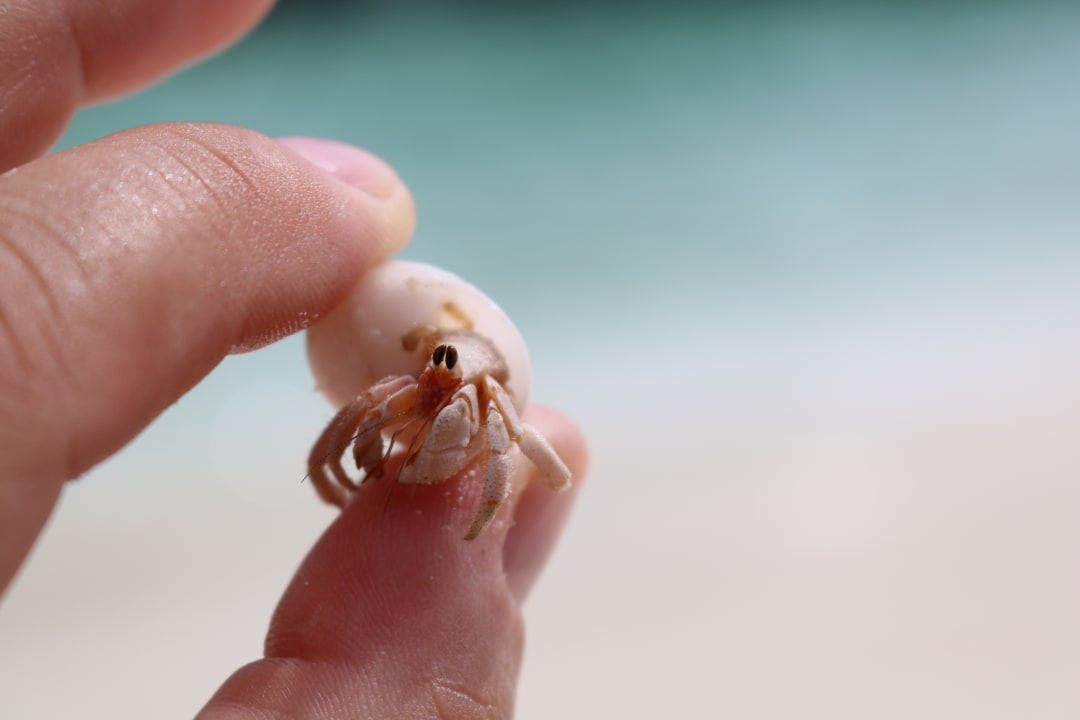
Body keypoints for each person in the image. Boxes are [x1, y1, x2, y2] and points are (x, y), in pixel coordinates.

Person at [0, 1, 587, 717]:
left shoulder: (480, 390)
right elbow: (366, 410)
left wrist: (510, 484)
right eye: (430, 369)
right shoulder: (419, 377)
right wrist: (340, 461)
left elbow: (503, 434)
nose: (430, 383)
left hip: (479, 389)